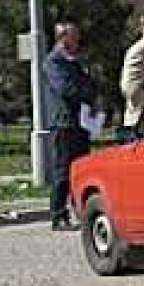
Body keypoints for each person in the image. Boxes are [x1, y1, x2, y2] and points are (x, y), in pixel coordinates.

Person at [44, 22, 98, 231]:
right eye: (74, 37)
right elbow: (66, 89)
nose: (78, 41)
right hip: (64, 123)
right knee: (63, 169)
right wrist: (85, 92)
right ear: (63, 38)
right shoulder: (53, 62)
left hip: (81, 122)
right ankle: (58, 214)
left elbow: (89, 84)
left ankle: (81, 210)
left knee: (82, 169)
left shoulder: (74, 62)